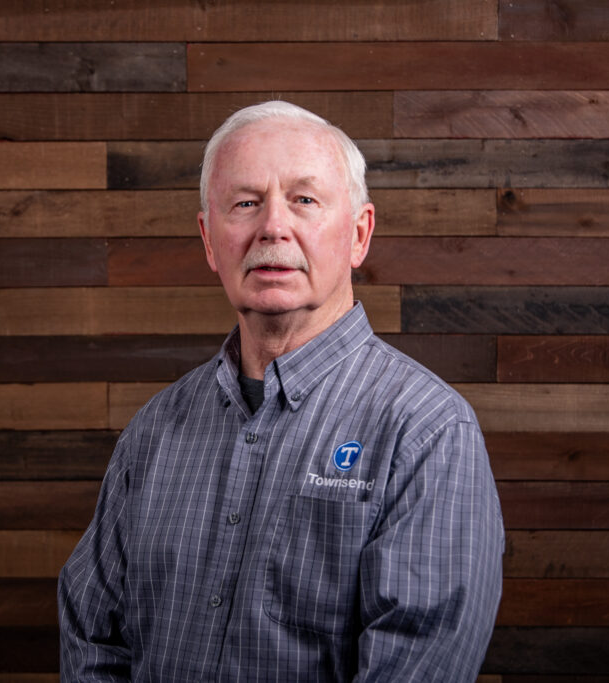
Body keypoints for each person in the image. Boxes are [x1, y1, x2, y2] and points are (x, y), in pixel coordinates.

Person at [58, 101, 504, 682]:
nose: (272, 226)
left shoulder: (427, 432)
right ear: (209, 240)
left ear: (359, 235)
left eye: (304, 200)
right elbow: (91, 641)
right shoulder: (153, 432)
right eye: (245, 203)